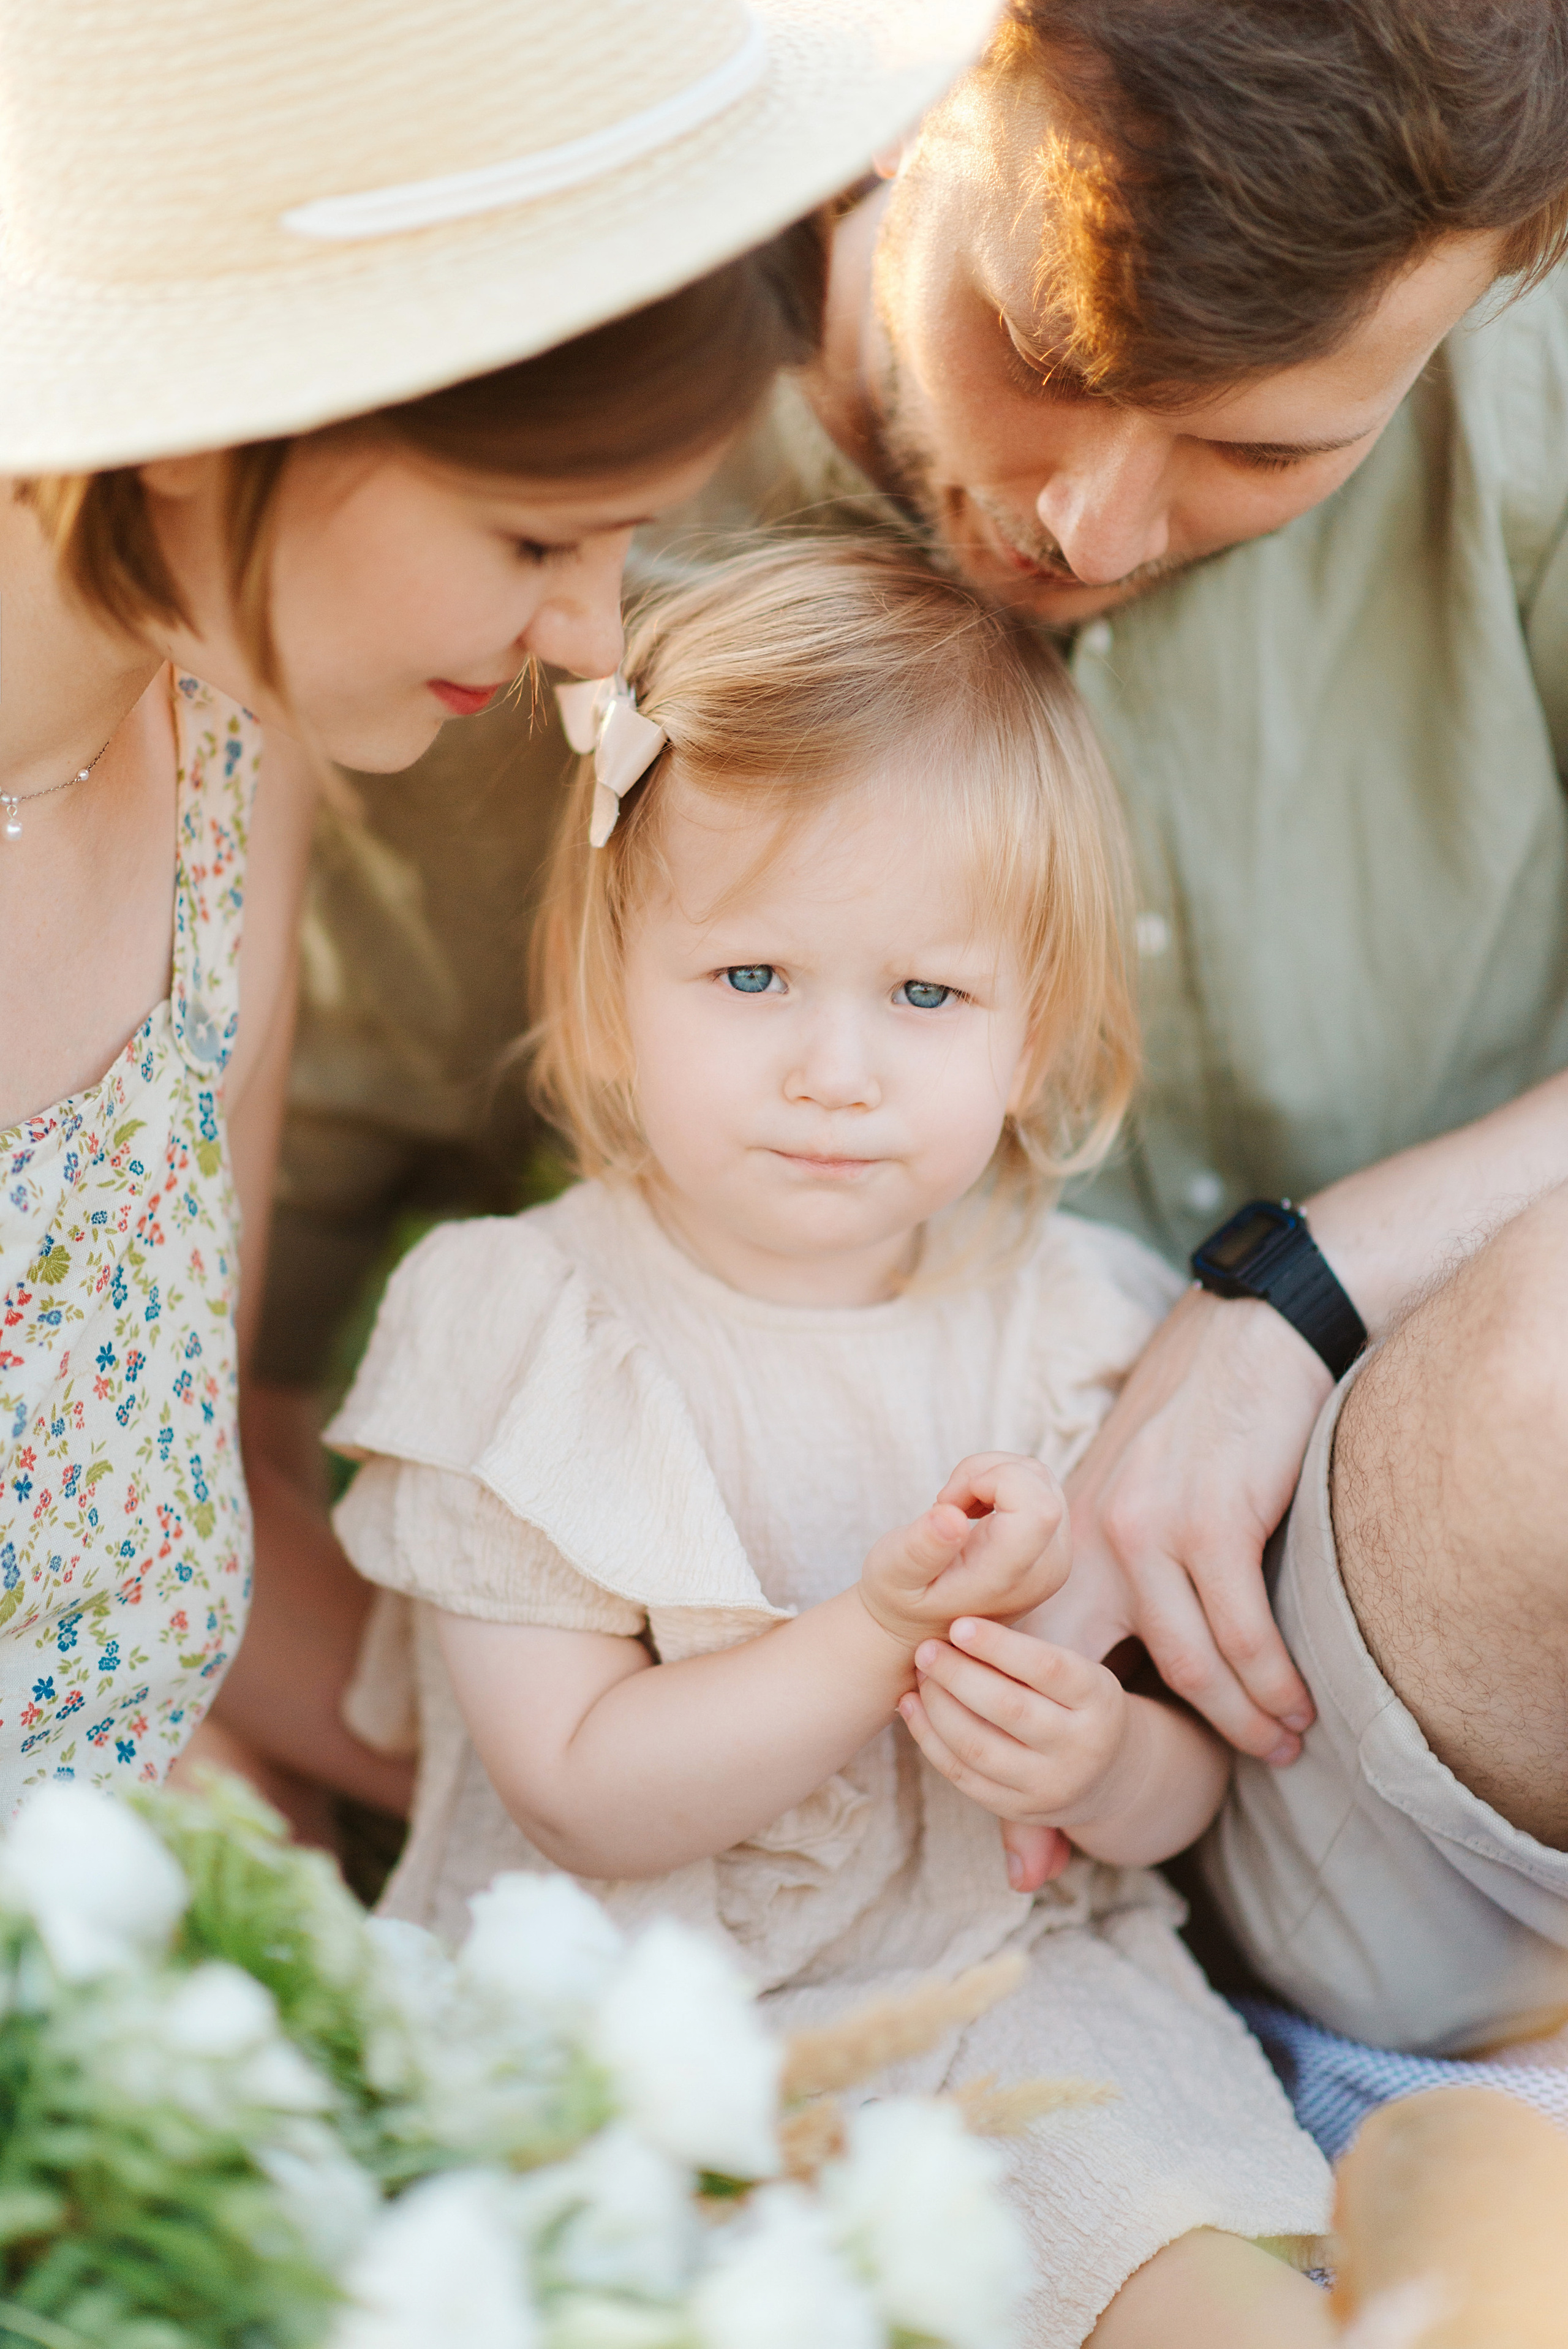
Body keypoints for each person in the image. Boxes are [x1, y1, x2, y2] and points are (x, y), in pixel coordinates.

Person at [260, 0, 1568, 2072]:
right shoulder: (562, 554)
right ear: (919, 80)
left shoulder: (1530, 393)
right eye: (1044, 359)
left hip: (1397, 1643)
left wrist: (1285, 1306)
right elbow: (212, 1367)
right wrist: (584, 1797)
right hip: (861, 1854)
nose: (1098, 524)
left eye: (1266, 447)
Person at [327, 540, 1335, 2349]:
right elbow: (579, 1783)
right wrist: (873, 1635)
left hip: (1008, 1991)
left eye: (926, 998)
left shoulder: (1084, 1329)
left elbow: (1190, 1784)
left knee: (1213, 2292)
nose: (837, 1069)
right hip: (631, 2032)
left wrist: (1095, 1759)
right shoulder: (523, 1328)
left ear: (1038, 1033)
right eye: (754, 977)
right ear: (610, 975)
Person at [0, 0, 997, 1820]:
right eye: (537, 542)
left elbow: (134, 1546)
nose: (592, 645)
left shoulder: (226, 748)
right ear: (198, 430)